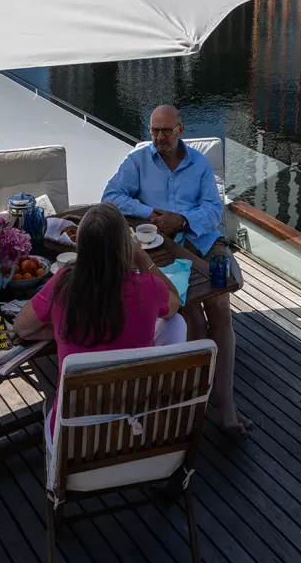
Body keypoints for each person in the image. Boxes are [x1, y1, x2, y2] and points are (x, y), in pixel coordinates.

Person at [101, 103, 252, 440]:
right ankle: (192, 397)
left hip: (202, 240)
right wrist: (152, 210)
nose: (159, 137)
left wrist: (182, 220)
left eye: (166, 131)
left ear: (181, 130)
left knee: (220, 311)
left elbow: (213, 210)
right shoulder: (138, 161)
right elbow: (110, 196)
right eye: (154, 130)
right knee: (188, 313)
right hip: (160, 246)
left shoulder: (198, 165)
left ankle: (224, 404)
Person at [13, 202, 185, 438]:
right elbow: (175, 302)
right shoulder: (147, 287)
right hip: (132, 430)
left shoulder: (63, 283)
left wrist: (64, 329)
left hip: (74, 440)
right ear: (126, 247)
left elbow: (22, 328)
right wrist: (146, 262)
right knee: (175, 323)